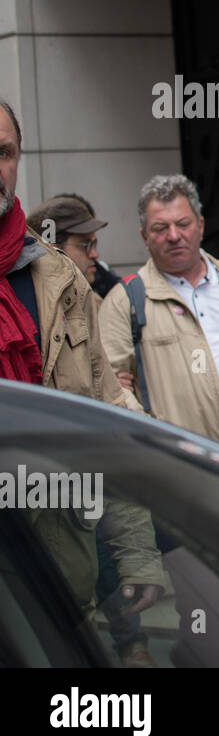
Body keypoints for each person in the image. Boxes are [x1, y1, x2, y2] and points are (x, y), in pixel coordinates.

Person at [0, 99, 164, 665]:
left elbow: (105, 424)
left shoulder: (59, 278)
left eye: (4, 152)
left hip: (58, 591)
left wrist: (136, 555)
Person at [26, 191, 151, 663]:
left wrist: (140, 559)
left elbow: (109, 415)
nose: (95, 254)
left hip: (79, 500)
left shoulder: (86, 293)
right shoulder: (49, 291)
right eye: (85, 244)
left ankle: (131, 644)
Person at [98, 173, 219, 465]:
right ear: (144, 237)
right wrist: (156, 446)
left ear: (200, 226)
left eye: (183, 224)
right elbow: (111, 387)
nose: (174, 236)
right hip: (179, 472)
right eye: (160, 228)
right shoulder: (124, 300)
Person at [25, 193, 124, 299]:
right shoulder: (31, 300)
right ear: (53, 249)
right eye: (85, 244)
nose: (95, 254)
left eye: (94, 244)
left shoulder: (104, 288)